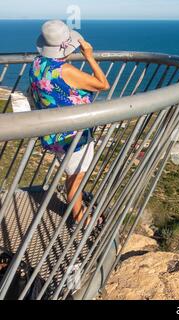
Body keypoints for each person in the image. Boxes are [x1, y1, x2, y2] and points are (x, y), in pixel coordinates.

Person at [29, 20, 110, 227]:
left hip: (53, 131)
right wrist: (89, 57)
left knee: (71, 174)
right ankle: (79, 218)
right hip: (73, 135)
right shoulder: (65, 70)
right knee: (77, 178)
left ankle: (76, 207)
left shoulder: (37, 64)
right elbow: (103, 84)